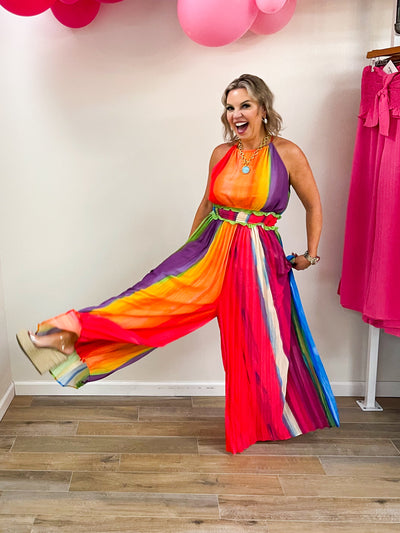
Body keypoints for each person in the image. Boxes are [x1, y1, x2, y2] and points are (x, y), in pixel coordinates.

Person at [17, 74, 339, 454]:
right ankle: (58, 337)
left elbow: (314, 204)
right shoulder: (221, 154)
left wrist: (310, 254)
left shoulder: (288, 153)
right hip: (211, 251)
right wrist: (188, 253)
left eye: (245, 106)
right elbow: (206, 204)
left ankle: (263, 424)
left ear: (263, 109)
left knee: (259, 345)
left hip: (260, 263)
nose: (236, 114)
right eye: (230, 107)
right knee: (149, 304)